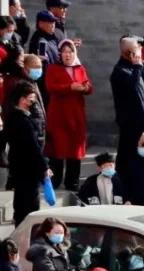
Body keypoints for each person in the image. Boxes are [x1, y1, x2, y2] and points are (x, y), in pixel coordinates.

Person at [44, 39, 91, 190]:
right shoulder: (53, 68)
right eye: (64, 52)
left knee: (74, 150)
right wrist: (70, 87)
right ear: (60, 54)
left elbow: (89, 86)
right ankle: (55, 180)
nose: (67, 55)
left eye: (70, 52)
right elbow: (51, 87)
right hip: (59, 115)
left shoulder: (80, 68)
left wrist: (84, 88)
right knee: (58, 149)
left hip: (76, 115)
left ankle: (73, 182)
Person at [109, 37, 144, 185]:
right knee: (128, 154)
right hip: (130, 123)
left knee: (141, 154)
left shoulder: (136, 66)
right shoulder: (120, 71)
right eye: (137, 48)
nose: (140, 51)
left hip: (143, 121)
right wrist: (137, 66)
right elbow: (132, 87)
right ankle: (123, 183)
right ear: (129, 53)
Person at [5, 80, 47, 224]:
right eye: (30, 99)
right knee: (29, 206)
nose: (33, 102)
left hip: (18, 167)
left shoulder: (12, 117)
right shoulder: (22, 121)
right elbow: (32, 147)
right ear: (22, 99)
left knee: (21, 204)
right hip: (27, 169)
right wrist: (44, 167)